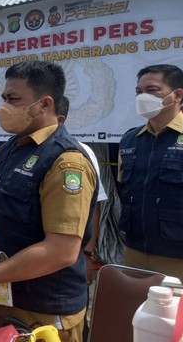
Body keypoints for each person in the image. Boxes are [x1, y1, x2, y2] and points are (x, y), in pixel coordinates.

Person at [0, 61, 98, 342]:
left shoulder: (65, 161)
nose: (5, 106)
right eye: (4, 98)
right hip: (3, 296)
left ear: (45, 104)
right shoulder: (11, 149)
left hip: (42, 311)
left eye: (14, 99)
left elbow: (61, 250)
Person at [118, 64, 183, 285]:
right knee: (134, 316)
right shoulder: (130, 140)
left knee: (180, 318)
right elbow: (123, 190)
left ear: (177, 95)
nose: (142, 97)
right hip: (133, 252)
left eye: (152, 90)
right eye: (138, 92)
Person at [57, 96, 109, 284]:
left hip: (69, 257)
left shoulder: (80, 152)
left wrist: (88, 254)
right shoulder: (10, 151)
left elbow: (93, 206)